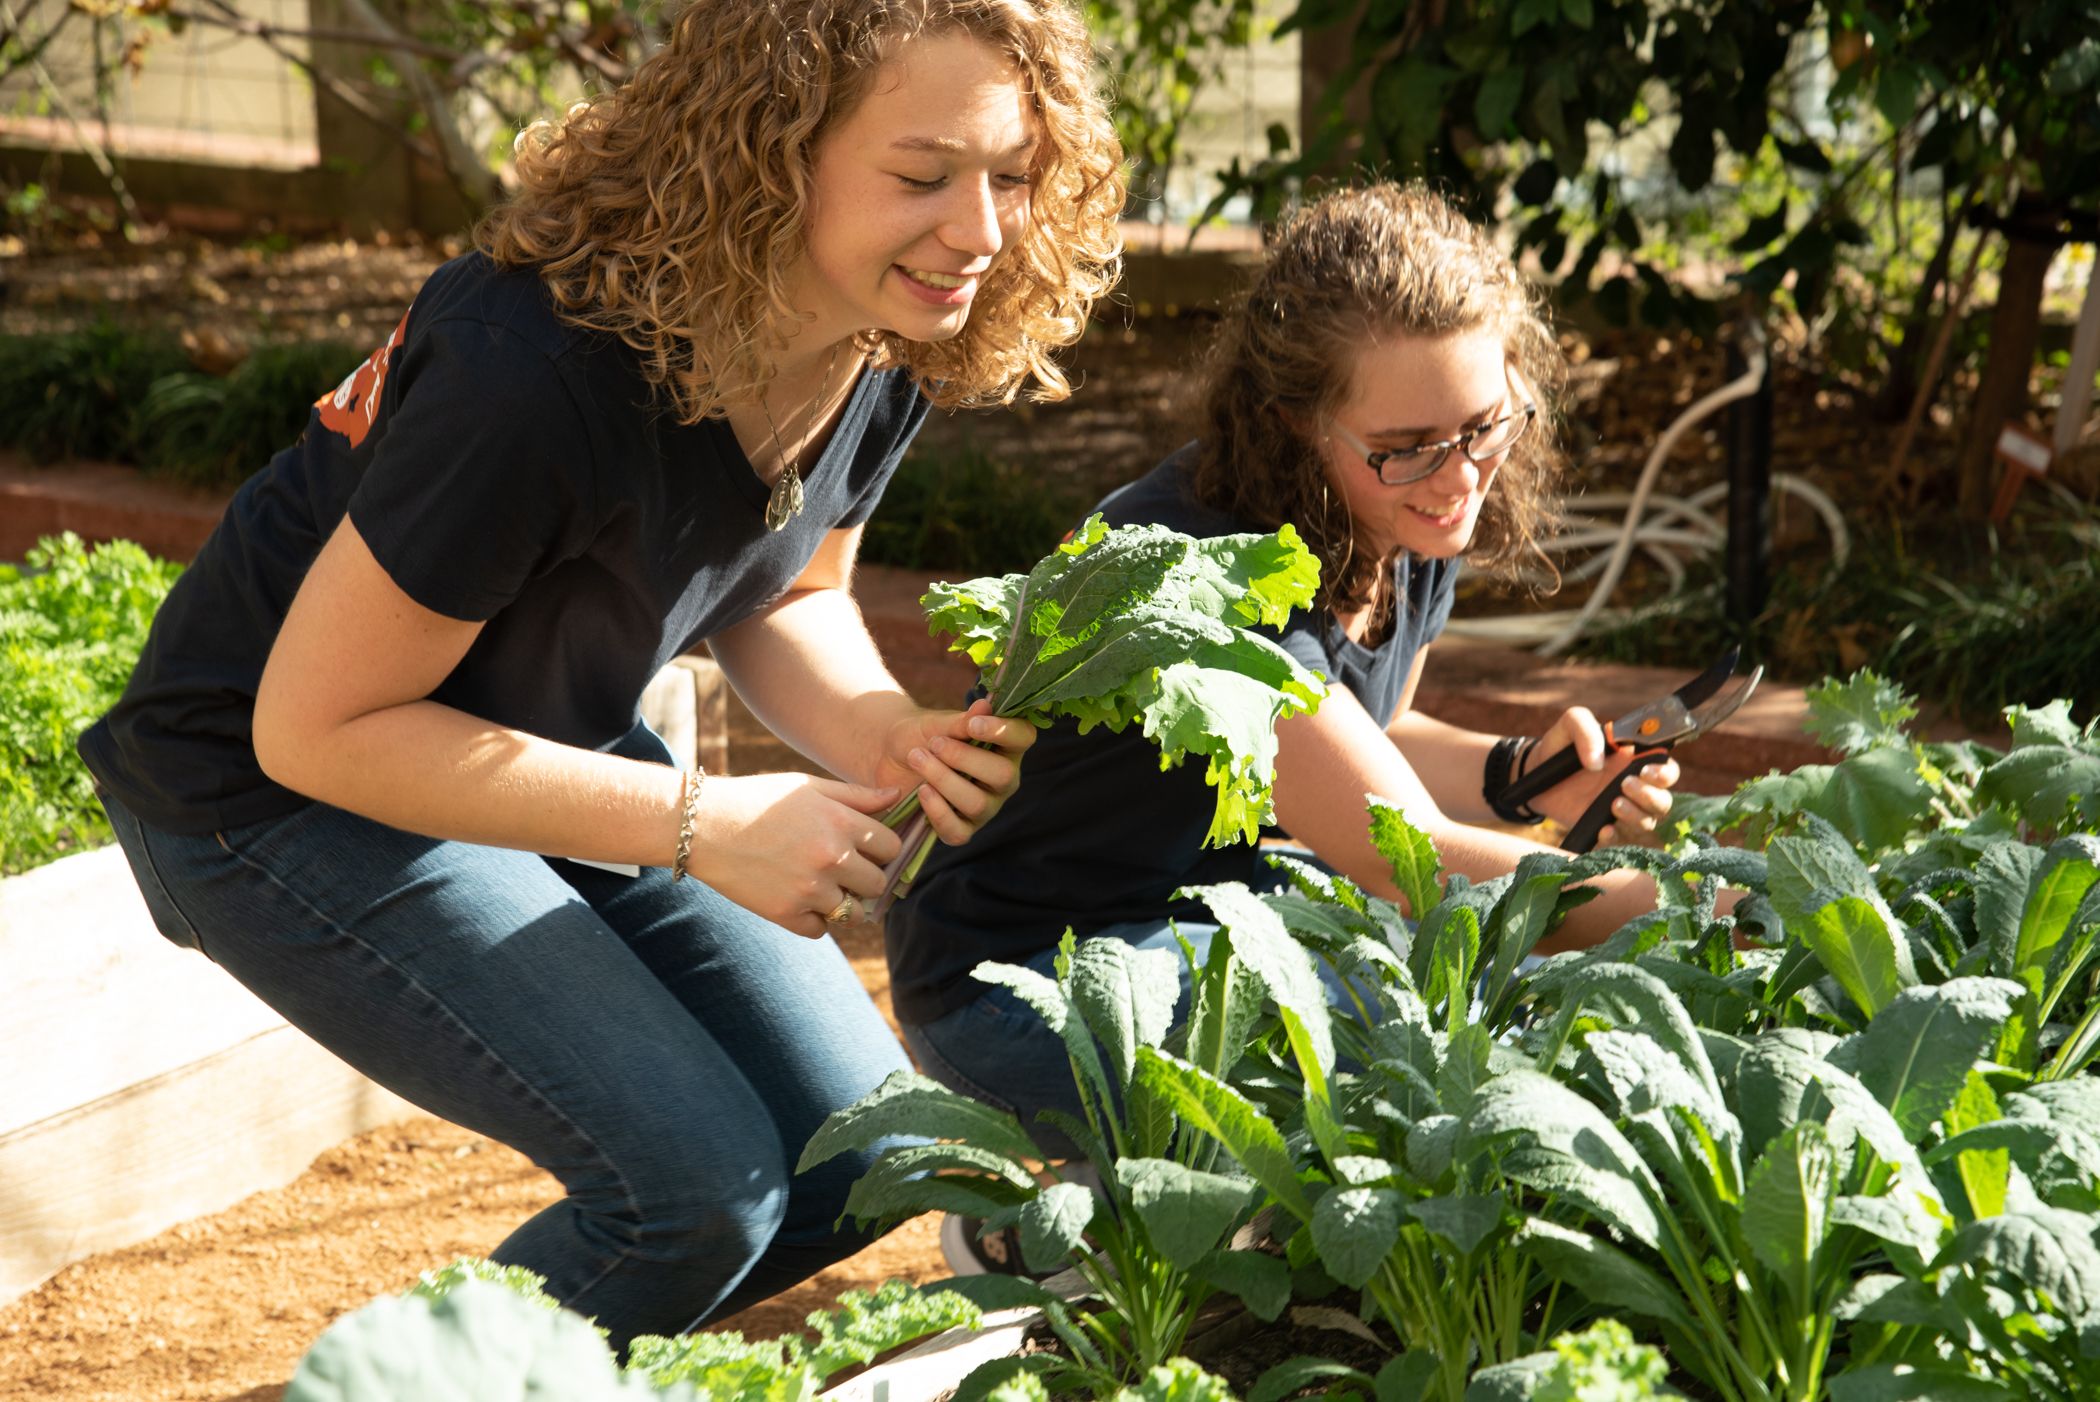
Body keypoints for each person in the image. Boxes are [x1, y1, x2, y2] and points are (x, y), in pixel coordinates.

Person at [77, 0, 1123, 1349]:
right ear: (772, 151)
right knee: (684, 1193)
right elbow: (315, 726)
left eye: (1014, 175)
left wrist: (881, 729)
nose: (981, 230)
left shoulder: (886, 326)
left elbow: (792, 587)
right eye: (923, 175)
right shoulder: (538, 372)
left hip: (516, 736)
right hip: (268, 791)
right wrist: (704, 825)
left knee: (863, 1158)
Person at [885, 181, 1684, 1154]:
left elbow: (1360, 740)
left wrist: (1515, 772)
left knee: (1417, 991)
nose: (1460, 475)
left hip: (1199, 918)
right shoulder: (1206, 572)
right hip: (1025, 981)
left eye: (1484, 426)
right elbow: (1410, 861)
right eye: (1406, 447)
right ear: (1296, 424)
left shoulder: (1397, 513)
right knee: (1400, 1025)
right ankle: (1085, 1218)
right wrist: (1701, 906)